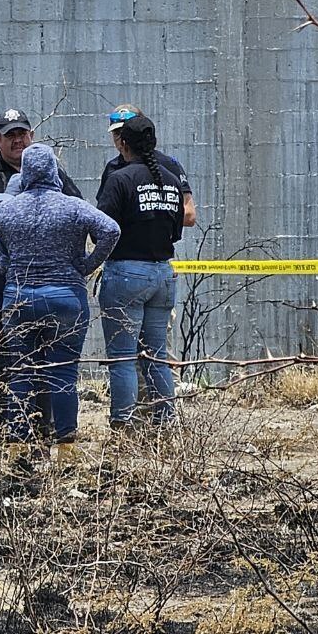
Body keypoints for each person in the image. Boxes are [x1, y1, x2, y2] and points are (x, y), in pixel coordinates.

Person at [0, 145, 119, 466]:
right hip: (67, 299)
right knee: (62, 373)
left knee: (19, 370)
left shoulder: (10, 208)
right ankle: (65, 450)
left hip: (20, 298)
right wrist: (87, 265)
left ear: (26, 173)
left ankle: (19, 447)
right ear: (53, 172)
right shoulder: (73, 207)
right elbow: (111, 230)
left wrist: (1, 261)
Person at [0, 109, 82, 450]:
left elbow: (79, 211)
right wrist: (2, 254)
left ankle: (41, 431)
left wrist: (73, 263)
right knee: (6, 364)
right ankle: (4, 435)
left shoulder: (55, 175)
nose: (17, 140)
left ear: (31, 136)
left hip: (47, 285)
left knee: (45, 363)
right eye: (10, 135)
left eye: (22, 134)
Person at [95, 114, 186, 428]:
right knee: (157, 356)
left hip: (126, 274)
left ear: (123, 143)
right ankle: (165, 424)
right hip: (163, 274)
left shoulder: (119, 179)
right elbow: (176, 231)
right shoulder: (172, 180)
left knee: (122, 358)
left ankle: (124, 427)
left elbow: (101, 227)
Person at [98, 104, 196, 227]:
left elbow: (189, 215)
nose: (121, 138)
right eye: (116, 133)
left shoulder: (168, 165)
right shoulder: (112, 168)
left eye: (127, 131)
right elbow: (104, 216)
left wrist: (149, 220)